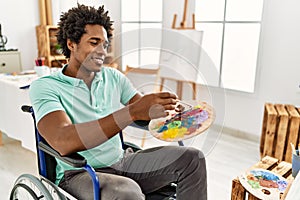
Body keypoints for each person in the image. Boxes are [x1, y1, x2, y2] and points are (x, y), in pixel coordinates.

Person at [29, 4, 207, 200]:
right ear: (71, 44)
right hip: (79, 172)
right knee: (127, 191)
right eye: (93, 42)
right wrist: (130, 112)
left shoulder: (113, 77)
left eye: (105, 45)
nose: (102, 51)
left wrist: (166, 110)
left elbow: (143, 112)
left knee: (192, 159)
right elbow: (63, 141)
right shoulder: (46, 86)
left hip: (122, 161)